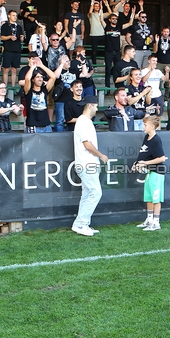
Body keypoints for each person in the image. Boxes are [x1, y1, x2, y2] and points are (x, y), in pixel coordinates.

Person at [72, 95, 108, 237]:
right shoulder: (84, 122)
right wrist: (101, 155)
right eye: (96, 106)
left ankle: (81, 223)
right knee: (95, 192)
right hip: (87, 164)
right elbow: (87, 144)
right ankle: (81, 223)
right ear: (90, 106)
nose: (97, 108)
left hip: (86, 163)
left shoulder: (84, 121)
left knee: (87, 194)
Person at [133, 114, 167, 231]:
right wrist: (136, 163)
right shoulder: (146, 137)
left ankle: (156, 223)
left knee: (156, 198)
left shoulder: (156, 140)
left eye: (145, 125)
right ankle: (149, 219)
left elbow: (161, 158)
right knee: (148, 197)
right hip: (149, 173)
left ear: (152, 126)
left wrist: (145, 163)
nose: (143, 127)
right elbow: (142, 153)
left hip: (157, 173)